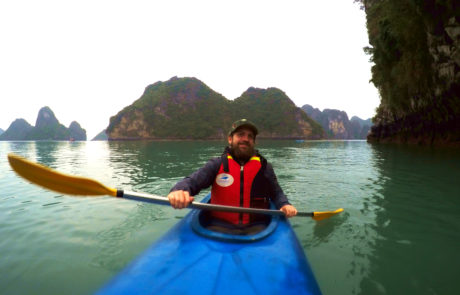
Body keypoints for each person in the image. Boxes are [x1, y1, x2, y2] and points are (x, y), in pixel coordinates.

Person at [167, 119, 297, 233]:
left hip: (257, 228)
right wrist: (179, 190)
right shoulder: (217, 164)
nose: (246, 139)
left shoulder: (265, 167)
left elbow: (276, 192)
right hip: (219, 226)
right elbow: (193, 181)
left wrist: (285, 204)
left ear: (254, 142)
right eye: (241, 135)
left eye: (250, 136)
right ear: (230, 139)